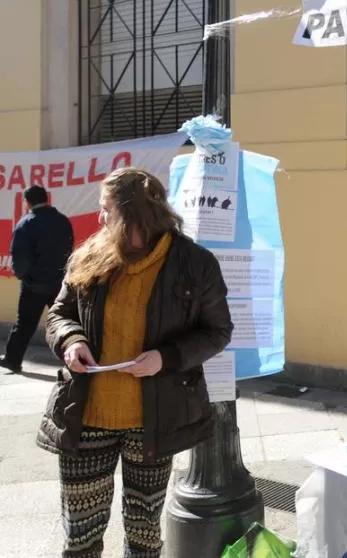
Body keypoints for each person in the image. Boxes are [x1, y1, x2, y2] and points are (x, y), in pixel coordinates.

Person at [37, 167, 233, 558]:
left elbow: (217, 331)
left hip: (154, 420)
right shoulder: (91, 254)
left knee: (144, 534)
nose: (100, 218)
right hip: (87, 413)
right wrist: (71, 342)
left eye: (106, 208)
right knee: (81, 535)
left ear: (133, 212)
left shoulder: (194, 262)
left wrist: (166, 357)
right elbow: (59, 314)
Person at [0, 185, 74, 373]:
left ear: (27, 202)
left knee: (25, 324)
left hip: (34, 285)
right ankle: (76, 360)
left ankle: (12, 360)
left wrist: (24, 276)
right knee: (65, 322)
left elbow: (21, 258)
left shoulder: (27, 224)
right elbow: (70, 249)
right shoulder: (63, 221)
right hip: (60, 283)